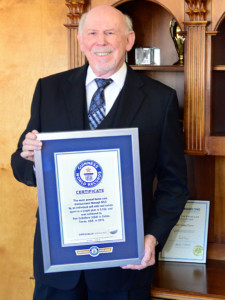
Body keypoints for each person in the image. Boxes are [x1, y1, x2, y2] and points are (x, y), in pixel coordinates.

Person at [11, 5, 189, 300]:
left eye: (110, 33)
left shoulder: (161, 100)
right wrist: (29, 160)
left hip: (124, 267)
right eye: (92, 33)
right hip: (58, 265)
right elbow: (21, 166)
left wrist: (152, 238)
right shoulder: (49, 90)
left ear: (129, 40)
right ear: (80, 40)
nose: (100, 41)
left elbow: (174, 185)